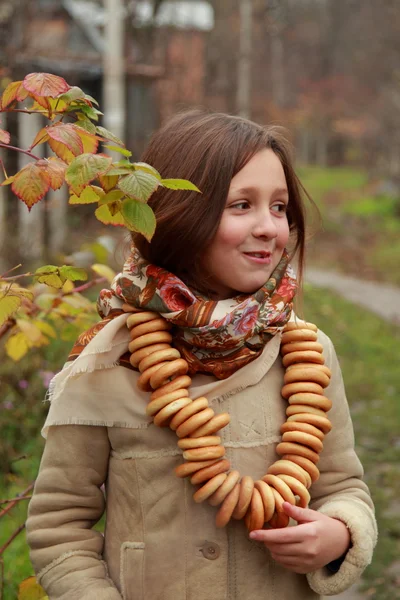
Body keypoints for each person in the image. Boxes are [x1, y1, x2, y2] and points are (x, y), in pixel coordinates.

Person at [26, 110, 377, 600]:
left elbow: (345, 488)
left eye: (279, 207)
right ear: (180, 217)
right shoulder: (109, 359)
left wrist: (339, 535)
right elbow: (59, 525)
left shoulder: (309, 353)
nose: (269, 228)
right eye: (241, 205)